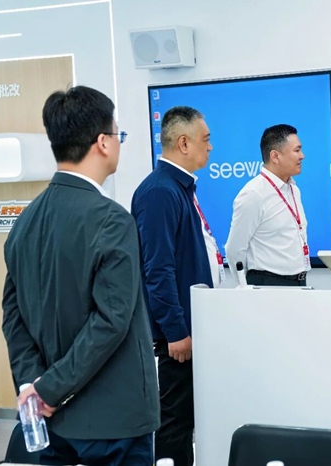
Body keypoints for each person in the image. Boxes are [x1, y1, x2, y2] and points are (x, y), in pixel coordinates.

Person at [2, 85, 159, 465]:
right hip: (113, 421)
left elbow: (13, 318)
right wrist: (50, 389)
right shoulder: (111, 220)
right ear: (103, 142)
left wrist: (35, 387)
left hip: (50, 421)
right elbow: (111, 321)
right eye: (118, 135)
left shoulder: (24, 222)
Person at [131, 106, 219, 466]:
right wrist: (176, 331)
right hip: (179, 338)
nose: (210, 147)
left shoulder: (179, 188)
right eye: (205, 139)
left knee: (188, 423)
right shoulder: (159, 192)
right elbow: (157, 269)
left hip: (194, 329)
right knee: (175, 425)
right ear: (183, 143)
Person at [226, 124, 311, 286]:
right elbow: (234, 249)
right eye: (297, 150)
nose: (302, 156)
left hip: (299, 282)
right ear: (275, 156)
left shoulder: (293, 189)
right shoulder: (254, 194)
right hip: (267, 284)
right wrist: (245, 287)